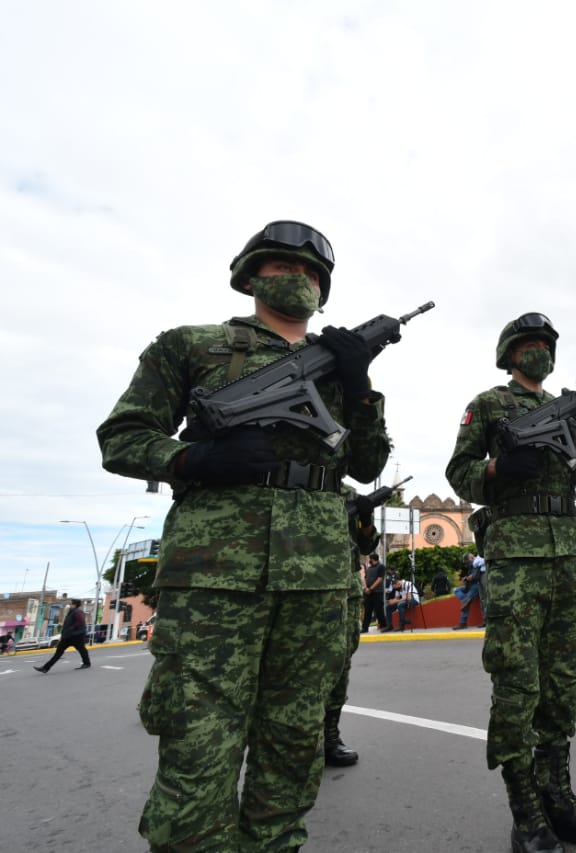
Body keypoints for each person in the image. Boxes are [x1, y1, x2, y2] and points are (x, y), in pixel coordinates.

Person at [96, 220, 391, 850]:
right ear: (252, 275)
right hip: (213, 578)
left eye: (313, 273)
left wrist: (360, 387)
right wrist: (189, 460)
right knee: (198, 752)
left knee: (293, 750)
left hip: (315, 577)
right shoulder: (191, 345)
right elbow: (121, 438)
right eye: (286, 267)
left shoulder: (343, 367)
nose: (301, 280)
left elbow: (365, 465)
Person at [446, 311, 576, 853]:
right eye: (529, 343)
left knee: (563, 680)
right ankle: (526, 810)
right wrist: (498, 470)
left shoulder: (560, 410)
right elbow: (459, 472)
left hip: (566, 551)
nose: (539, 350)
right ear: (510, 352)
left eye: (546, 343)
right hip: (515, 556)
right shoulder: (490, 404)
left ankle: (558, 795)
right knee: (519, 684)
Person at [326, 489, 380, 767]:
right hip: (302, 585)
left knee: (340, 664)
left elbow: (367, 544)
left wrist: (366, 516)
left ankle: (329, 737)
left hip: (344, 588)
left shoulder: (345, 493)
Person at [32, 598, 91, 672]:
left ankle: (87, 663)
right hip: (68, 636)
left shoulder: (78, 612)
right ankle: (45, 668)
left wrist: (71, 628)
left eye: (71, 604)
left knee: (82, 650)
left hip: (76, 636)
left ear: (75, 605)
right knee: (58, 652)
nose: (70, 605)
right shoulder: (72, 612)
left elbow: (80, 622)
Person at [454, 554, 485, 629]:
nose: (468, 564)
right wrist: (466, 578)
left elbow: (474, 576)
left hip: (476, 585)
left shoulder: (477, 563)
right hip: (469, 586)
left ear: (471, 558)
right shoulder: (473, 564)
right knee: (456, 590)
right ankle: (465, 600)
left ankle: (463, 622)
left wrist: (468, 578)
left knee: (466, 603)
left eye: (468, 562)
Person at [362, 552, 388, 633]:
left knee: (379, 610)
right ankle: (365, 628)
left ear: (373, 559)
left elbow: (379, 579)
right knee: (367, 611)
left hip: (377, 592)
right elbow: (365, 578)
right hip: (368, 593)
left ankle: (383, 626)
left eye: (370, 559)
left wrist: (370, 589)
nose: (369, 561)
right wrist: (366, 588)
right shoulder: (369, 568)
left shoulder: (381, 567)